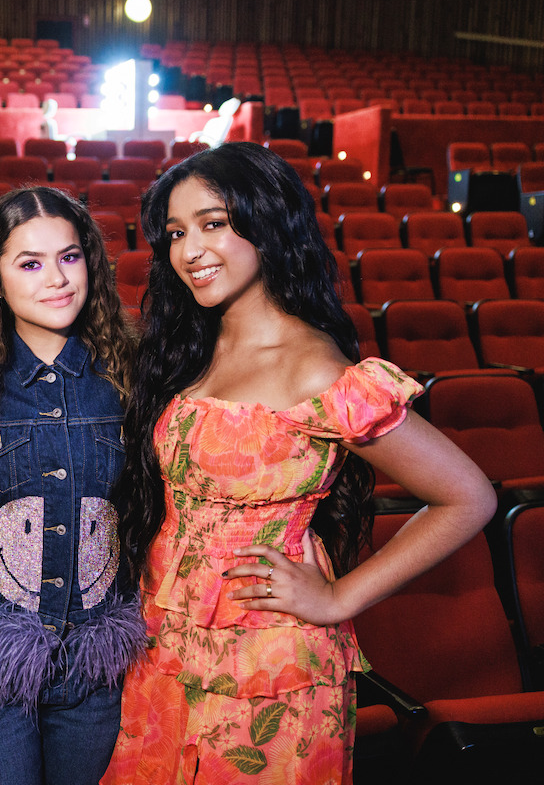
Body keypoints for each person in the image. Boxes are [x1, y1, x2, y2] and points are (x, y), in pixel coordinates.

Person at [101, 142, 496, 784]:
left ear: (267, 223)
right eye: (175, 232)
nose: (190, 250)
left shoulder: (317, 368)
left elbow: (468, 497)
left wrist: (340, 596)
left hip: (267, 664)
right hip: (162, 645)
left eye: (214, 223)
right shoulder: (187, 348)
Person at [0, 186, 149, 785]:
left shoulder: (130, 377)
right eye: (30, 263)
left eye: (70, 256)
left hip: (95, 660)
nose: (56, 278)